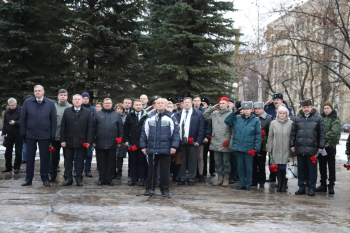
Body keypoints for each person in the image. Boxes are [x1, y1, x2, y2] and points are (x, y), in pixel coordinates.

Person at [140, 98, 180, 196]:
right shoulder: (150, 117)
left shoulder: (171, 117)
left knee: (165, 171)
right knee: (151, 170)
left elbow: (175, 133)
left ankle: (165, 189)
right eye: (158, 103)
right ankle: (150, 188)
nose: (160, 105)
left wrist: (174, 146)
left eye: (162, 103)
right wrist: (143, 146)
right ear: (155, 105)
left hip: (165, 148)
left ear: (166, 105)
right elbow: (144, 133)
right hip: (152, 148)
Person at [20, 85, 57, 187]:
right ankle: (28, 178)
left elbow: (53, 120)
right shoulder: (27, 102)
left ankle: (45, 178)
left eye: (39, 91)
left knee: (44, 158)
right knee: (29, 157)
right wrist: (23, 133)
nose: (37, 92)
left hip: (45, 134)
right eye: (35, 91)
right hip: (30, 134)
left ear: (43, 92)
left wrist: (52, 135)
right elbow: (23, 119)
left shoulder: (50, 103)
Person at [290, 99, 325, 196]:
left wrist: (321, 146)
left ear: (311, 107)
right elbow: (293, 133)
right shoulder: (297, 119)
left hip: (312, 148)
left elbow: (322, 134)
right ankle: (301, 187)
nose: (306, 109)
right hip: (300, 148)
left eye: (308, 107)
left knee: (312, 170)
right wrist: (292, 145)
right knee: (301, 169)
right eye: (304, 107)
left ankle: (311, 187)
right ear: (302, 108)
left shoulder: (318, 118)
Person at [225, 101, 261, 191]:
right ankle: (242, 183)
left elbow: (258, 135)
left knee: (248, 167)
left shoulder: (256, 120)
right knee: (240, 167)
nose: (246, 111)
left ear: (251, 110)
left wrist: (256, 147)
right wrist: (234, 113)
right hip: (239, 146)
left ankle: (248, 184)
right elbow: (227, 121)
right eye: (244, 109)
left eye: (248, 109)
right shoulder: (237, 119)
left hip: (249, 147)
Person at [60, 94, 92, 186]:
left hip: (82, 141)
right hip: (68, 140)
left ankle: (78, 178)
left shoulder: (87, 112)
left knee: (80, 161)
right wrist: (62, 140)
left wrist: (88, 141)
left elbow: (90, 127)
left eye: (79, 99)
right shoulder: (67, 111)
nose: (77, 101)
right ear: (72, 101)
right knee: (68, 161)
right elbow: (63, 127)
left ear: (82, 101)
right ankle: (68, 178)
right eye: (75, 99)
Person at [92, 98, 124, 186]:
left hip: (112, 142)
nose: (107, 105)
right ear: (103, 104)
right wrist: (93, 140)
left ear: (112, 104)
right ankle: (102, 178)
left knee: (111, 162)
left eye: (109, 103)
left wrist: (120, 140)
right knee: (101, 161)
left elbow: (120, 129)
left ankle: (109, 179)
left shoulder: (116, 114)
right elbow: (93, 128)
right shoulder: (97, 114)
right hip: (99, 142)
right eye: (105, 103)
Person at [175, 97, 205, 186]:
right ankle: (182, 177)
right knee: (182, 160)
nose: (187, 104)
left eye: (188, 102)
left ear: (191, 103)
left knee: (192, 160)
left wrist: (198, 140)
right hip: (181, 141)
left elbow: (201, 128)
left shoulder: (198, 114)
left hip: (193, 141)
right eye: (185, 102)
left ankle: (191, 178)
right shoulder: (178, 114)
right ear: (182, 104)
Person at [203, 97, 232, 187]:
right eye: (220, 103)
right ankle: (220, 178)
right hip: (216, 141)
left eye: (223, 103)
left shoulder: (231, 114)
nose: (221, 105)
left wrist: (231, 142)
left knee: (226, 161)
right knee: (218, 161)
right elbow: (205, 116)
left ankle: (226, 178)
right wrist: (211, 108)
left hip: (225, 141)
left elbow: (233, 130)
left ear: (227, 104)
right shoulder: (215, 114)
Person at [315, 101, 341, 194]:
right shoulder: (320, 118)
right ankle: (323, 184)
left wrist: (322, 137)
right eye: (325, 108)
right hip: (321, 147)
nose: (326, 110)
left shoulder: (335, 119)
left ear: (331, 109)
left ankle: (331, 185)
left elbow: (334, 133)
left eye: (328, 108)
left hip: (330, 146)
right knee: (322, 166)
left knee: (331, 166)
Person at [267, 106, 293, 192]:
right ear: (278, 114)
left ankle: (284, 184)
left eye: (284, 113)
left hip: (287, 148)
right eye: (280, 113)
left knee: (285, 167)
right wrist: (269, 148)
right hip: (276, 148)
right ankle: (279, 183)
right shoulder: (273, 123)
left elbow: (293, 136)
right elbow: (270, 136)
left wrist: (293, 146)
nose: (282, 115)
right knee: (277, 167)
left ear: (286, 114)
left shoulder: (291, 123)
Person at [49, 89, 72, 182]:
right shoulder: (53, 107)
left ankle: (67, 176)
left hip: (67, 138)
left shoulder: (71, 107)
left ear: (67, 96)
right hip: (54, 137)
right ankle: (52, 175)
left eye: (64, 95)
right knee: (53, 158)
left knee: (68, 158)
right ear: (58, 96)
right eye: (61, 95)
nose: (63, 97)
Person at [124, 99, 148, 186]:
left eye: (140, 105)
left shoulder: (146, 116)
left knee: (142, 161)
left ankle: (142, 178)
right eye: (136, 105)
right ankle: (133, 179)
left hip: (142, 142)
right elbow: (125, 129)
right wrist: (126, 140)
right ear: (133, 106)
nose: (138, 106)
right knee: (133, 161)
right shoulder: (130, 115)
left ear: (142, 106)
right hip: (132, 142)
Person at [252, 102, 272, 188]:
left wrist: (266, 144)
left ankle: (261, 181)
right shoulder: (252, 117)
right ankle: (254, 180)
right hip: (252, 143)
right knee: (253, 163)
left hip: (262, 144)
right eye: (256, 109)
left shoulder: (268, 118)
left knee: (261, 164)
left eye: (259, 108)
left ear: (263, 109)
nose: (257, 110)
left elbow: (269, 132)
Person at [192, 96, 212, 182]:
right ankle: (193, 173)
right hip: (191, 138)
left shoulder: (204, 112)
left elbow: (208, 125)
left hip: (201, 137)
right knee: (192, 157)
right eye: (195, 101)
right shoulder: (190, 111)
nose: (196, 102)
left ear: (200, 102)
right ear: (193, 102)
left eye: (198, 101)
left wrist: (206, 136)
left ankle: (201, 174)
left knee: (200, 157)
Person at [2, 98, 22, 173]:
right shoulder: (7, 112)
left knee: (18, 152)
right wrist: (3, 133)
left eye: (12, 105)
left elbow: (23, 122)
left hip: (19, 134)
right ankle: (8, 167)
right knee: (7, 152)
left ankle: (17, 167)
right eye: (9, 105)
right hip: (9, 134)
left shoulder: (21, 111)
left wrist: (15, 123)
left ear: (16, 104)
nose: (11, 107)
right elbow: (5, 123)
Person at [81, 92, 96, 177]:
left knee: (89, 154)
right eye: (84, 98)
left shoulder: (92, 109)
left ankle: (87, 170)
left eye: (87, 98)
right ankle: (78, 169)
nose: (85, 100)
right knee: (78, 155)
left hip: (90, 134)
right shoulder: (79, 108)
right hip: (80, 134)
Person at [115, 103, 128, 179]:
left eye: (121, 109)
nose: (119, 110)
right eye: (118, 108)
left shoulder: (126, 118)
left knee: (120, 156)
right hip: (113, 139)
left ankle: (119, 171)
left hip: (122, 139)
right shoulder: (112, 116)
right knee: (113, 156)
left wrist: (121, 140)